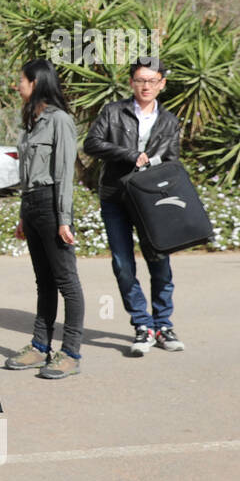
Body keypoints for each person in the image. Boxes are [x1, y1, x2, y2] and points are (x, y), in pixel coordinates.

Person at [82, 56, 184, 356]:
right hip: (116, 197)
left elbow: (173, 159)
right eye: (140, 80)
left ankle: (163, 324)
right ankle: (143, 324)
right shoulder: (113, 111)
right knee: (123, 265)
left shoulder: (169, 120)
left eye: (152, 80)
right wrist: (130, 155)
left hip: (153, 200)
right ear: (131, 82)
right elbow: (91, 143)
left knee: (160, 262)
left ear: (162, 84)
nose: (146, 86)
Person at [4, 59, 85, 379]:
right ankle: (40, 346)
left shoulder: (59, 120)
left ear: (35, 83)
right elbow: (27, 175)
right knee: (44, 282)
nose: (18, 85)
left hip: (54, 204)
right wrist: (23, 215)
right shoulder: (30, 121)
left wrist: (64, 218)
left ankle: (71, 352)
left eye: (21, 80)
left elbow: (65, 173)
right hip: (33, 204)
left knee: (67, 281)